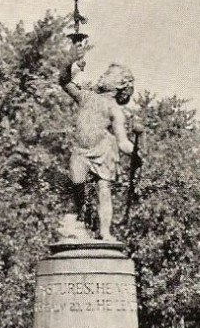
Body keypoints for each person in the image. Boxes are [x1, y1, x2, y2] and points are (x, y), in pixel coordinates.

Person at [59, 53, 142, 241]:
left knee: (104, 192)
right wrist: (71, 64)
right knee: (77, 185)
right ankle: (82, 223)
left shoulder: (115, 110)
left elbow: (122, 142)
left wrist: (134, 152)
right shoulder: (86, 96)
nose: (102, 75)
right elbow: (64, 82)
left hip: (103, 150)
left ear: (120, 84)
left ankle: (105, 232)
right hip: (81, 150)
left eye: (108, 74)